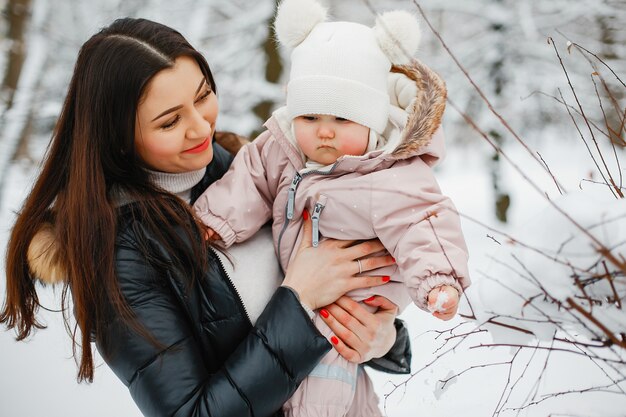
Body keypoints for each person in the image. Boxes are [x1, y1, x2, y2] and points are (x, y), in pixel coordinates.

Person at [0, 17, 413, 417]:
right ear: (119, 137)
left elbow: (353, 291)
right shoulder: (118, 252)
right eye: (170, 121)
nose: (201, 128)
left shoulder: (247, 169)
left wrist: (382, 338)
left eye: (202, 96)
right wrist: (299, 300)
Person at [193, 0, 471, 416]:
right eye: (310, 115)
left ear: (373, 120)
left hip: (349, 310)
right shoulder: (281, 148)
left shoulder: (389, 175)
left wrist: (438, 281)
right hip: (303, 309)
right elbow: (249, 179)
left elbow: (424, 220)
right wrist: (213, 221)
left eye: (342, 118)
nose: (324, 131)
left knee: (326, 394)